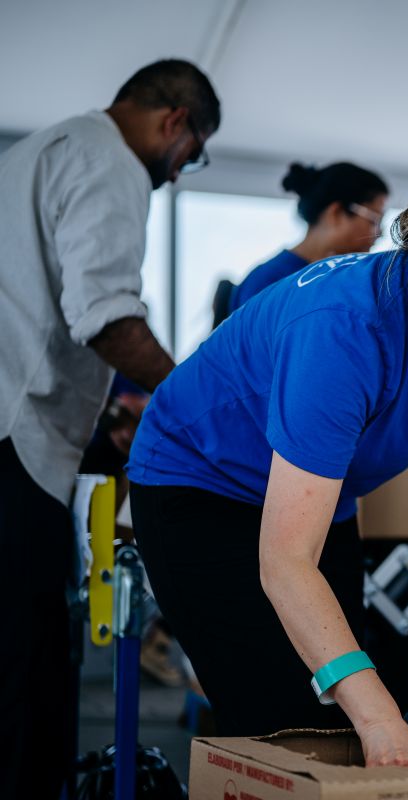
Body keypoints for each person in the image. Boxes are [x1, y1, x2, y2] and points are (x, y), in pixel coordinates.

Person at [126, 134, 408, 767]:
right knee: (285, 720)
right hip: (201, 480)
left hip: (321, 497)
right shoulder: (341, 329)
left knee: (341, 710)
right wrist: (379, 717)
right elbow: (286, 559)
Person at [0, 59, 220, 798]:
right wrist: (195, 403)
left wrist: (111, 411)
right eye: (193, 154)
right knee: (27, 670)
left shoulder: (40, 149)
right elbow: (105, 316)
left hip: (15, 424)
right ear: (176, 121)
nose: (179, 172)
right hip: (15, 441)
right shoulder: (113, 162)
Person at [214, 161, 390, 325]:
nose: (380, 233)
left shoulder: (332, 279)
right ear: (336, 213)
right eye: (374, 219)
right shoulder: (269, 282)